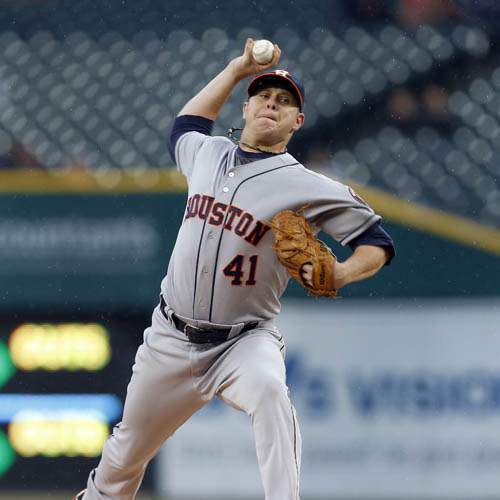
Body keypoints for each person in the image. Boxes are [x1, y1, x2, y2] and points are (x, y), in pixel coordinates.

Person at [74, 38, 395, 500]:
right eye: (263, 96)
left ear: (297, 121)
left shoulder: (308, 186)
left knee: (269, 391)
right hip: (170, 337)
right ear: (246, 109)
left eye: (284, 101)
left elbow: (377, 243)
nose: (272, 104)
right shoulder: (208, 154)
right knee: (121, 460)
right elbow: (185, 126)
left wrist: (342, 273)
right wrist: (235, 70)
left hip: (243, 342)